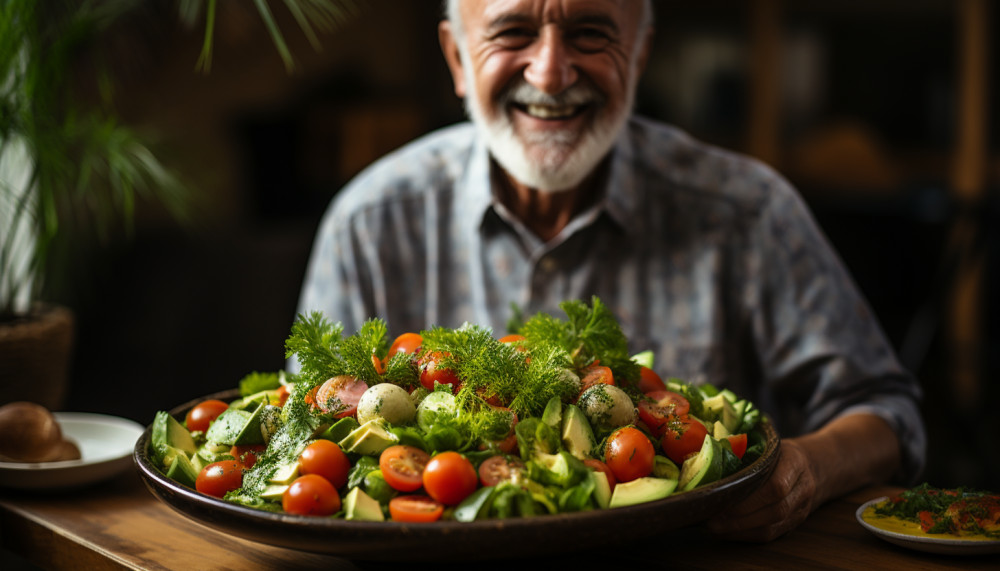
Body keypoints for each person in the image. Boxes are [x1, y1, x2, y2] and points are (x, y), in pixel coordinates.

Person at [295, 0, 926, 541]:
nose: (549, 72)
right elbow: (309, 430)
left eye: (591, 33)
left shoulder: (749, 212)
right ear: (458, 58)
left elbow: (884, 410)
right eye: (513, 32)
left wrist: (804, 472)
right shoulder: (370, 221)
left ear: (641, 52)